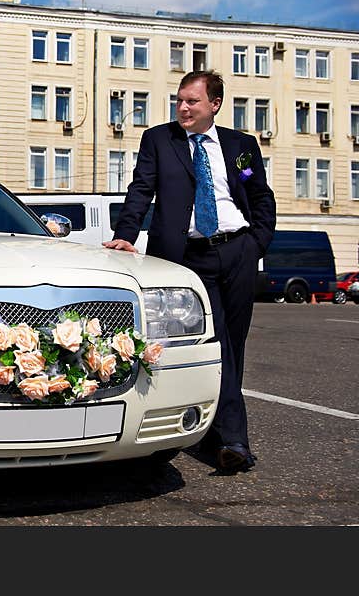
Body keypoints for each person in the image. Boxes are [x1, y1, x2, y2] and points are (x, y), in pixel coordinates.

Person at [104, 70, 275, 472]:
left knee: (233, 343)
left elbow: (257, 192)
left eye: (192, 101)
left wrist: (257, 242)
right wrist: (125, 234)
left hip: (236, 251)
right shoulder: (160, 140)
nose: (183, 107)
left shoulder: (240, 147)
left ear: (214, 104)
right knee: (218, 348)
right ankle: (235, 441)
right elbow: (141, 189)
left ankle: (217, 433)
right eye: (179, 100)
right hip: (186, 257)